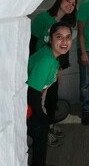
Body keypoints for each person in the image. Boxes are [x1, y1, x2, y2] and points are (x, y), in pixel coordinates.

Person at [29, 0, 77, 146]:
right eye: (67, 0)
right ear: (59, 0)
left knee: (52, 98)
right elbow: (31, 43)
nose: (70, 4)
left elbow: (64, 50)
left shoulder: (65, 25)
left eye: (74, 4)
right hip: (40, 67)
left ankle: (49, 127)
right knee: (37, 100)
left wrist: (59, 70)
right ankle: (41, 130)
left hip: (53, 67)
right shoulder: (43, 18)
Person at [27, 22, 73, 166]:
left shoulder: (51, 55)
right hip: (26, 105)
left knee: (40, 137)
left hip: (32, 103)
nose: (65, 41)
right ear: (50, 39)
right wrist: (41, 116)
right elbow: (32, 94)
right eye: (59, 37)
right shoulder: (46, 60)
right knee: (40, 136)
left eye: (68, 37)